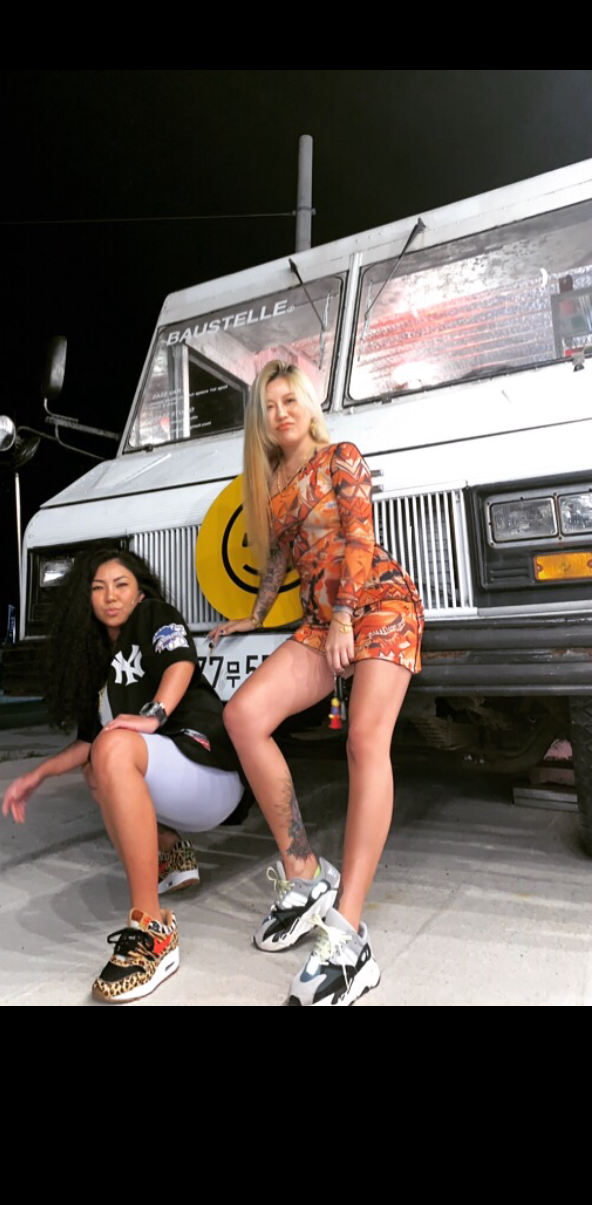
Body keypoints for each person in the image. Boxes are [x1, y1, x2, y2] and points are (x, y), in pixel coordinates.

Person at [207, 359, 424, 1007]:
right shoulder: (273, 485)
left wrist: (345, 617)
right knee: (243, 717)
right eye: (269, 406)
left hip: (378, 604)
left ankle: (349, 936)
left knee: (364, 742)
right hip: (320, 622)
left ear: (307, 405)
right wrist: (254, 614)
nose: (281, 413)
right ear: (262, 420)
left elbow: (359, 536)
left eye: (289, 400)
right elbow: (279, 556)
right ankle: (304, 871)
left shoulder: (340, 457)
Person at [2, 547, 246, 1004]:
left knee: (113, 748)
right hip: (173, 783)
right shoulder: (98, 665)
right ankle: (170, 851)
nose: (110, 596)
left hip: (210, 771)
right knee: (96, 766)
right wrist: (38, 775)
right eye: (98, 588)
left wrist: (154, 715)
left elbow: (180, 663)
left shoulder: (153, 615)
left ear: (138, 594)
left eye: (121, 585)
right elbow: (88, 743)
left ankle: (152, 930)